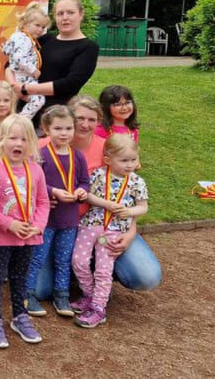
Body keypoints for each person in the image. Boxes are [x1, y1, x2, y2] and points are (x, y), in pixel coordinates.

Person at [33, 94, 161, 298]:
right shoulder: (42, 146)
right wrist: (40, 197)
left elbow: (128, 193)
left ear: (99, 121)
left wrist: (130, 233)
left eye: (91, 119)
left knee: (146, 276)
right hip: (54, 223)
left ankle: (92, 265)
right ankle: (77, 268)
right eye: (79, 118)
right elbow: (23, 183)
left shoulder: (108, 148)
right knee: (41, 290)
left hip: (103, 224)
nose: (84, 124)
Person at [0, 115, 49, 347]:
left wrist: (38, 227)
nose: (18, 144)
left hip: (28, 238)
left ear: (32, 143)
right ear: (1, 141)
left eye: (24, 139)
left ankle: (20, 316)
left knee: (20, 278)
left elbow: (43, 202)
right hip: (1, 238)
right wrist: (9, 224)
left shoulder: (36, 171)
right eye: (12, 138)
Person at [72, 134, 148, 328]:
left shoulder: (137, 182)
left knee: (104, 269)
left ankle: (98, 307)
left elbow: (143, 207)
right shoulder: (98, 174)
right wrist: (107, 204)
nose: (129, 165)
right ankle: (89, 295)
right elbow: (87, 195)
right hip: (91, 224)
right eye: (124, 160)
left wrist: (129, 211)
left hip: (115, 230)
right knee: (79, 261)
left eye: (133, 159)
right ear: (108, 159)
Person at [25, 105, 89, 317]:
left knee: (64, 258)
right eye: (58, 128)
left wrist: (81, 191)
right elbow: (36, 184)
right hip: (47, 219)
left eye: (68, 128)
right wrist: (55, 192)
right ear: (46, 129)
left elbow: (84, 182)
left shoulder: (78, 156)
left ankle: (61, 295)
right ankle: (29, 293)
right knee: (38, 257)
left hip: (69, 220)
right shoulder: (41, 155)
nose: (64, 133)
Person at [10, 0, 99, 126]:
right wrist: (14, 86)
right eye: (60, 13)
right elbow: (12, 62)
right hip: (22, 110)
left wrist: (26, 89)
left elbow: (70, 83)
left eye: (70, 12)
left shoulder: (88, 47)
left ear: (81, 14)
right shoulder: (44, 39)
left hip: (55, 118)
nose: (65, 17)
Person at [1, 2, 49, 119]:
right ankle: (21, 120)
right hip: (24, 78)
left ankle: (10, 120)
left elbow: (6, 50)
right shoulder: (25, 39)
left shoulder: (17, 35)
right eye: (37, 25)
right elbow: (18, 58)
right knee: (39, 99)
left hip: (19, 77)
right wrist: (33, 70)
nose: (40, 30)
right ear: (25, 24)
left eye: (43, 27)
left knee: (12, 102)